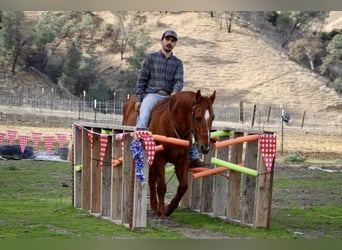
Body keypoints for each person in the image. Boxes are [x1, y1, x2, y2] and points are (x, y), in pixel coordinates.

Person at [135, 29, 207, 168]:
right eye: (167, 39)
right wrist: (139, 99)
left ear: (175, 44)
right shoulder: (150, 58)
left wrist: (175, 92)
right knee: (143, 117)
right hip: (152, 94)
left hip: (169, 96)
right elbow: (142, 79)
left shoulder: (178, 63)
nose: (170, 42)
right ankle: (139, 150)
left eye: (173, 41)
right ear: (162, 41)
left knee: (187, 121)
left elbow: (179, 81)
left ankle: (193, 156)